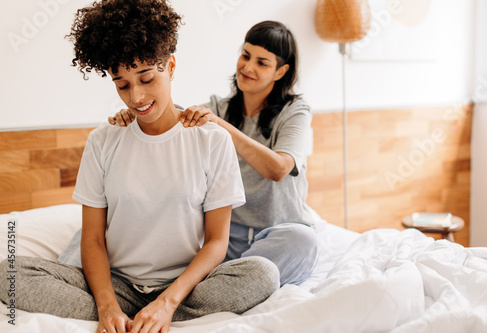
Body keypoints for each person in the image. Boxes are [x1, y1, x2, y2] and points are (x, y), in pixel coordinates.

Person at [0, 1, 280, 333]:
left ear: (171, 66)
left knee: (264, 273)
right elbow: (92, 238)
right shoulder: (103, 141)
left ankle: (153, 316)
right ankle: (129, 318)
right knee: (10, 273)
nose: (136, 97)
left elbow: (217, 241)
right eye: (122, 84)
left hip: (183, 287)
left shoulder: (211, 141)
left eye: (146, 78)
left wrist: (167, 302)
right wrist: (106, 307)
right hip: (116, 286)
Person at [109, 20, 320, 286]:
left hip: (277, 232)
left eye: (262, 63)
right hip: (225, 237)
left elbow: (278, 168)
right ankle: (226, 285)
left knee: (303, 242)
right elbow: (172, 117)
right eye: (245, 55)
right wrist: (139, 110)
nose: (247, 67)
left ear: (281, 72)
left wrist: (220, 125)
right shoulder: (219, 108)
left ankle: (227, 284)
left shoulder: (295, 110)